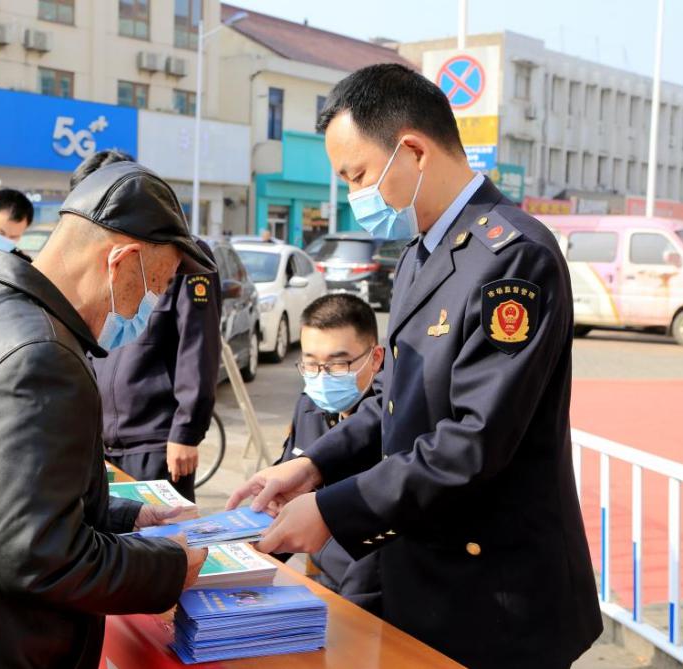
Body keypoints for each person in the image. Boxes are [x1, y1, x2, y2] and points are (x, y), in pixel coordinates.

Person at [227, 64, 601, 669]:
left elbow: (472, 442)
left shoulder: (511, 258)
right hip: (424, 578)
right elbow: (394, 399)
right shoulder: (422, 253)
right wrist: (311, 465)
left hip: (495, 599)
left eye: (358, 176)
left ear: (413, 151)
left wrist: (331, 512)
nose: (353, 198)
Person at [0, 161, 211, 669]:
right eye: (155, 286)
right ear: (121, 262)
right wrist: (171, 566)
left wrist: (127, 515)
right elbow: (40, 558)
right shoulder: (38, 355)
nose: (152, 303)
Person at [72, 150, 221, 502]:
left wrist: (186, 432)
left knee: (158, 543)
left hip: (155, 441)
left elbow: (198, 349)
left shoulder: (182, 257)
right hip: (98, 439)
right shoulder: (99, 256)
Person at [275, 294, 384, 613]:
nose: (321, 377)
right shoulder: (309, 404)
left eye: (337, 364)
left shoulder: (392, 423)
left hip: (372, 593)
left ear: (375, 358)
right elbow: (286, 495)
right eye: (310, 363)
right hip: (321, 581)